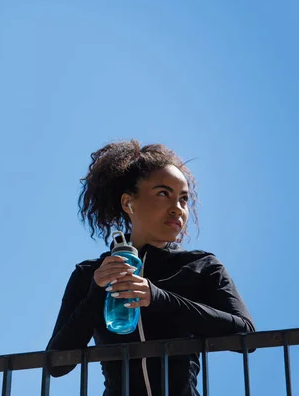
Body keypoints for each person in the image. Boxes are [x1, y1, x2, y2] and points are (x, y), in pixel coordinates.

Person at [46, 140, 255, 396]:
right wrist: (96, 292)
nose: (177, 208)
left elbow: (246, 334)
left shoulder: (202, 266)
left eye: (184, 199)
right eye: (163, 193)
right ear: (128, 203)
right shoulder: (89, 273)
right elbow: (56, 364)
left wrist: (157, 297)